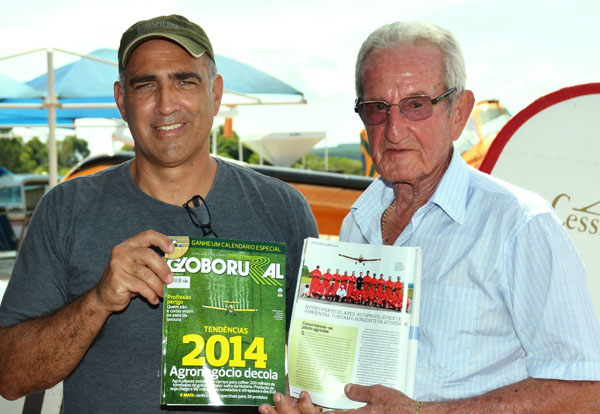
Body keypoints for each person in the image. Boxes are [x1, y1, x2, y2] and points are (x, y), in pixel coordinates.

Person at [260, 21, 600, 414]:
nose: (394, 129)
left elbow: (586, 391)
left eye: (416, 105)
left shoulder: (519, 225)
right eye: (377, 109)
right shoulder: (359, 221)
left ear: (459, 112)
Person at [0, 14, 318, 413]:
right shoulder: (66, 209)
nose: (166, 104)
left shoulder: (283, 209)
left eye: (185, 81)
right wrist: (98, 301)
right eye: (146, 84)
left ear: (215, 94)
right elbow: (9, 377)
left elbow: (318, 369)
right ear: (121, 101)